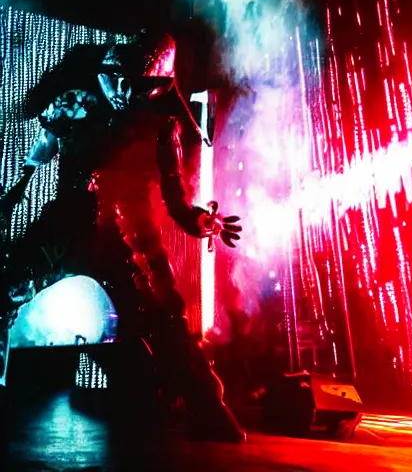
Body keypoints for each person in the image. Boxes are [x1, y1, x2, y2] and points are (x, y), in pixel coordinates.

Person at [0, 34, 245, 442]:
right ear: (106, 69)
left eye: (139, 86)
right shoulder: (79, 85)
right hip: (68, 218)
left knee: (161, 315)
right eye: (118, 80)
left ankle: (205, 403)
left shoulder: (161, 116)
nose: (125, 92)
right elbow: (37, 124)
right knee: (8, 284)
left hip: (117, 227)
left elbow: (174, 191)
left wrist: (198, 221)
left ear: (157, 86)